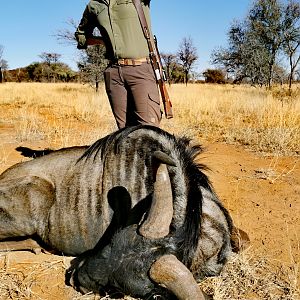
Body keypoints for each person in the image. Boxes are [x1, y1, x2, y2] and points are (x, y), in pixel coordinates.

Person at [75, 0, 162, 129]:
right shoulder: (94, 6)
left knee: (149, 131)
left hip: (141, 69)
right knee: (125, 132)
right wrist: (104, 41)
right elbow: (81, 35)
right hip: (114, 73)